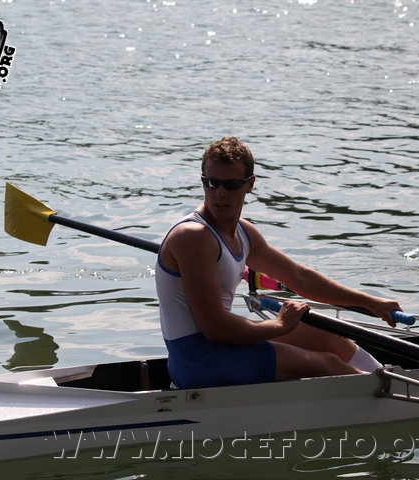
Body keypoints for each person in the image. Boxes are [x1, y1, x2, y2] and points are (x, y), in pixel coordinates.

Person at [156, 136, 403, 388]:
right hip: (200, 361)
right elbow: (216, 328)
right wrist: (280, 324)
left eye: (230, 185)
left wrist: (370, 302)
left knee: (325, 337)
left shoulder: (243, 232)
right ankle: (388, 394)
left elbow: (300, 277)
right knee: (328, 364)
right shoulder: (192, 237)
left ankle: (386, 378)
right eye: (211, 183)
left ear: (249, 184)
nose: (219, 193)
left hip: (221, 347)